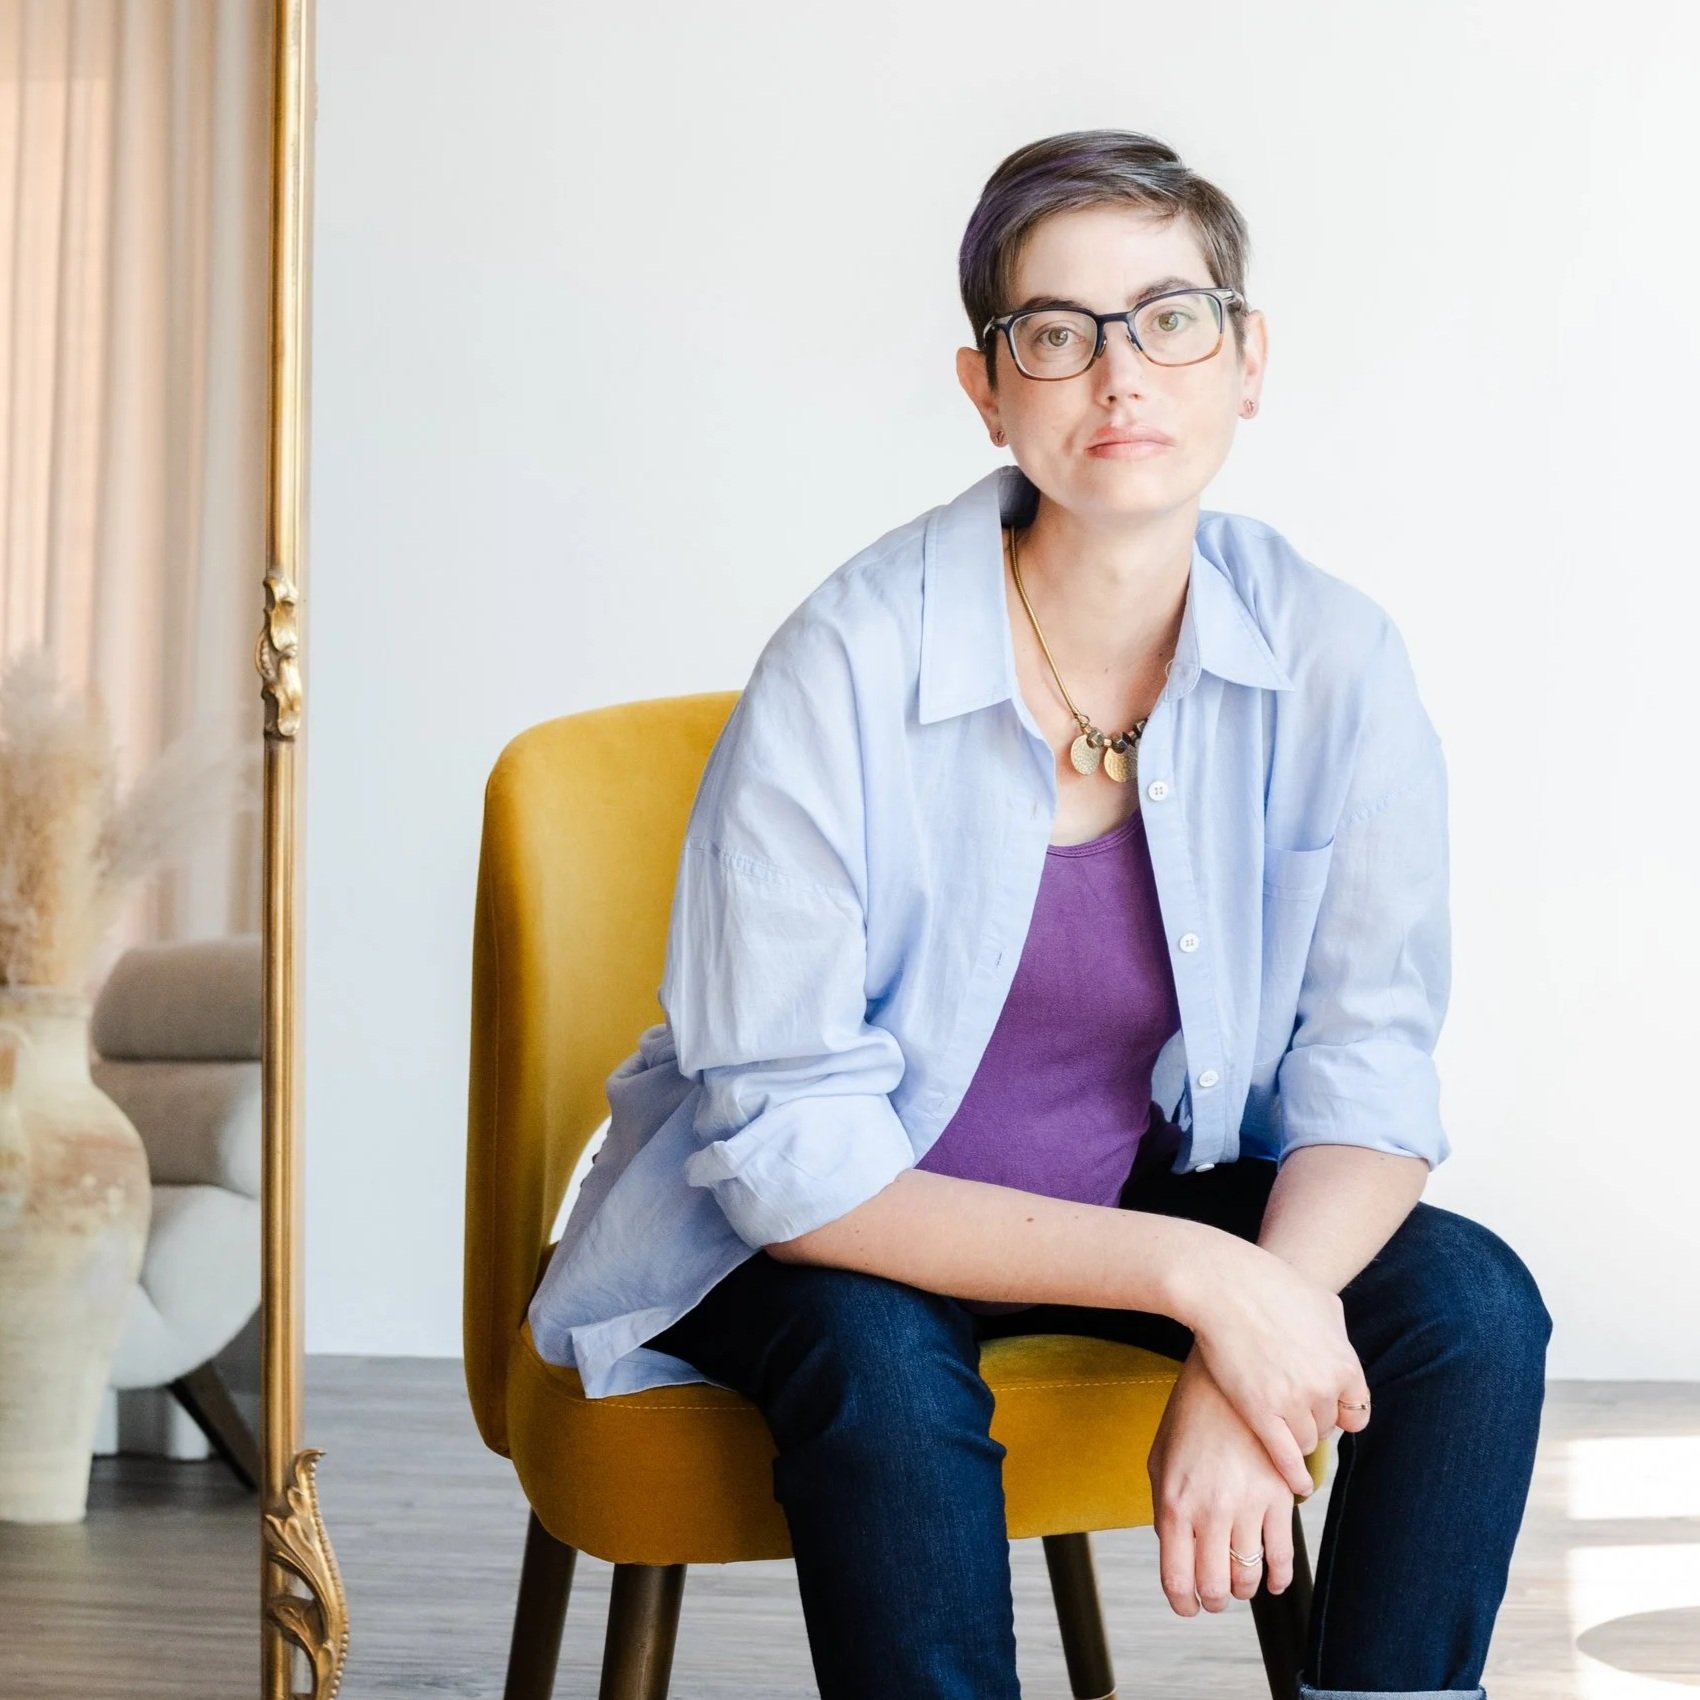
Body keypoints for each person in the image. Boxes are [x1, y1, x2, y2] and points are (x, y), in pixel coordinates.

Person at [528, 128, 1552, 1700]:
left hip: (1121, 1185)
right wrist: (1203, 1286)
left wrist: (1249, 1323)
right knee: (879, 1370)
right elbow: (795, 1156)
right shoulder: (849, 666)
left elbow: (1368, 1073)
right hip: (824, 1226)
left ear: (1246, 357)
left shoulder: (1338, 660)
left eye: (1170, 317)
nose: (1120, 376)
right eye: (1056, 336)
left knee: (1471, 1306)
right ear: (988, 390)